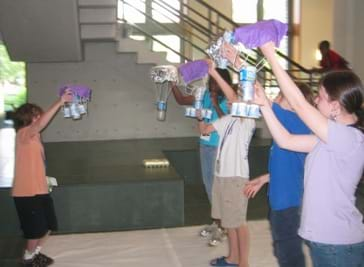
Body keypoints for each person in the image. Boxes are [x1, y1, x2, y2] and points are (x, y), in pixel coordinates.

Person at [245, 41, 364, 267]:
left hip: (337, 243)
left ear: (336, 106)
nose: (316, 100)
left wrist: (270, 55)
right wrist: (263, 105)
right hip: (324, 240)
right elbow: (286, 140)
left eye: (319, 96)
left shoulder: (349, 139)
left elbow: (299, 104)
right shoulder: (328, 139)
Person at [243, 82, 314, 267]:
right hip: (280, 200)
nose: (275, 99)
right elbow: (293, 167)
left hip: (288, 204)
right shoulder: (289, 128)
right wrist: (266, 178)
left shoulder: (295, 122)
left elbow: (267, 104)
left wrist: (240, 65)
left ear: (293, 104)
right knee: (282, 248)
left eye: (280, 96)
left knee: (288, 254)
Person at [199, 60, 255, 267]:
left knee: (238, 222)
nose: (230, 100)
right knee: (228, 221)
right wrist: (199, 112)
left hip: (235, 178)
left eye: (234, 97)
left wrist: (214, 72)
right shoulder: (228, 119)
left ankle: (244, 263)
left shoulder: (245, 120)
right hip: (221, 176)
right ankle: (232, 258)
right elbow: (205, 130)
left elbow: (233, 97)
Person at [12, 89, 73, 267]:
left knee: (48, 227)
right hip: (26, 193)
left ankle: (34, 254)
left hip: (39, 189)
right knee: (33, 231)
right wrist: (59, 102)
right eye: (37, 115)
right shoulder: (24, 134)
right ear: (29, 118)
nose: (40, 117)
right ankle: (28, 259)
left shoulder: (35, 136)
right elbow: (39, 125)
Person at [171, 68, 230, 246]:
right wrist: (173, 84)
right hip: (205, 145)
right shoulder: (203, 94)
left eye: (214, 81)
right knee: (208, 185)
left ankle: (224, 227)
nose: (211, 84)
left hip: (218, 147)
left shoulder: (228, 99)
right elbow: (182, 100)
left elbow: (227, 120)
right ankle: (216, 221)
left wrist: (215, 103)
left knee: (216, 187)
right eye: (210, 80)